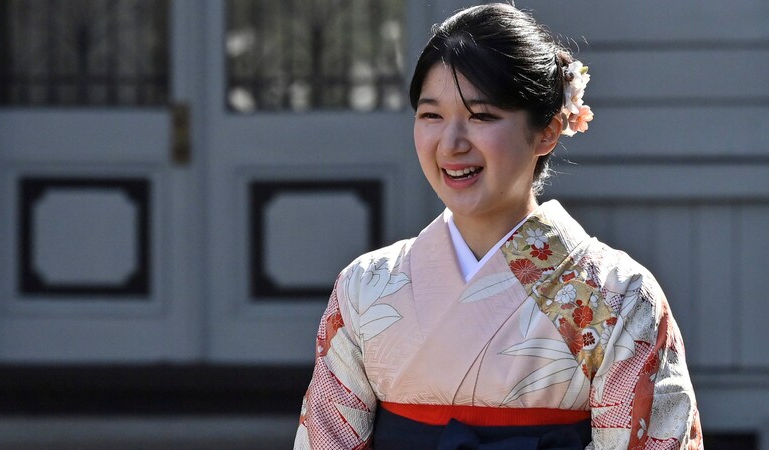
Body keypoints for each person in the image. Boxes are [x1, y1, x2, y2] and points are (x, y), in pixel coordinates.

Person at [294, 3, 703, 449]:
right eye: (431, 115)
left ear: (547, 130)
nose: (450, 144)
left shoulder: (617, 295)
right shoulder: (364, 288)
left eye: (481, 116)